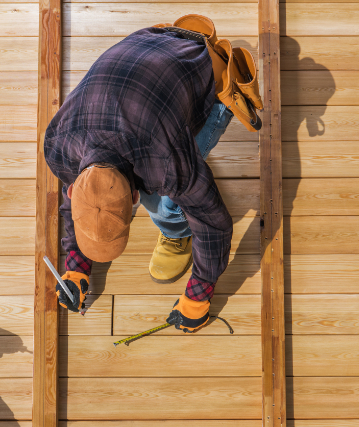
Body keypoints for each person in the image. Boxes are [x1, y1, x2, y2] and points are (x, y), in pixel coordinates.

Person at [44, 25, 236, 333]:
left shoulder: (163, 161)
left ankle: (176, 233)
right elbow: (78, 200)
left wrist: (200, 293)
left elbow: (214, 223)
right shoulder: (58, 147)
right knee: (171, 180)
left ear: (134, 198)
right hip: (147, 43)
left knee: (165, 203)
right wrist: (75, 265)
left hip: (205, 68)